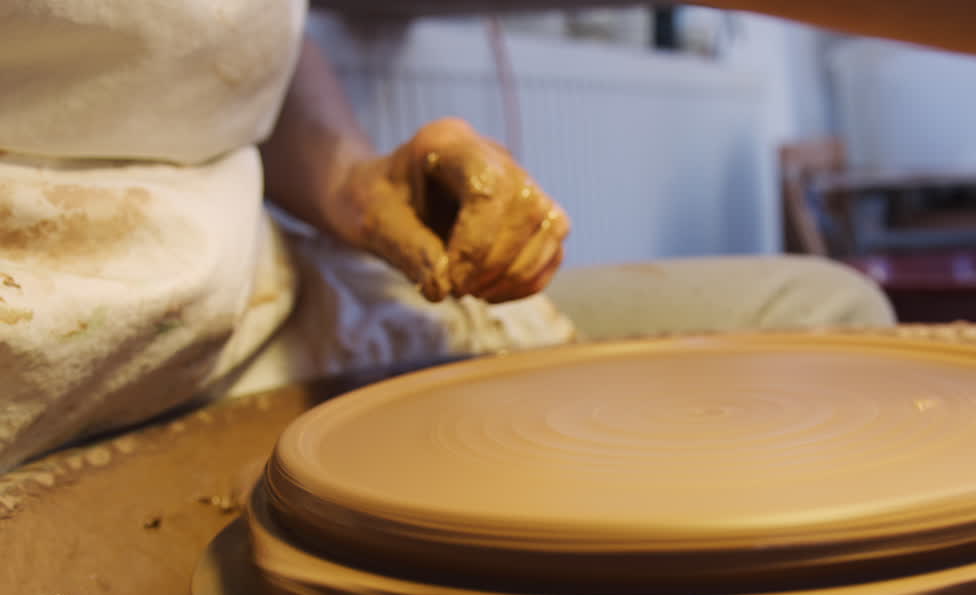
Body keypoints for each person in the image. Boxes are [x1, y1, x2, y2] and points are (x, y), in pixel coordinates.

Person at [0, 1, 895, 472]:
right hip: (47, 394)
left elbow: (226, 41)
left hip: (261, 311)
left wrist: (356, 185)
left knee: (825, 314)